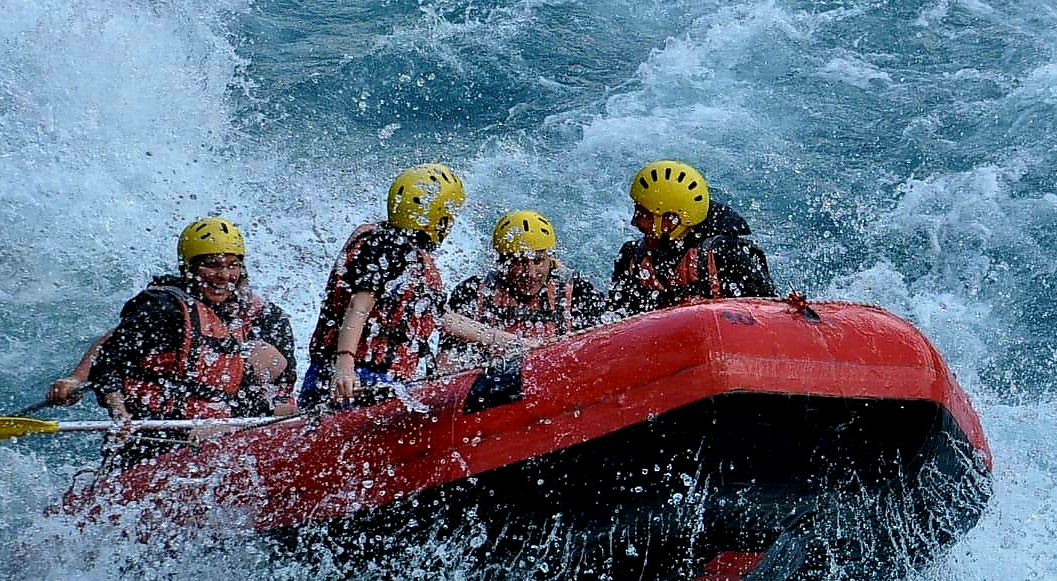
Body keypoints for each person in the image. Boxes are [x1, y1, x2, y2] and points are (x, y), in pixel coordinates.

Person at [299, 163, 525, 408]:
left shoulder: (404, 253)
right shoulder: (387, 247)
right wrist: (345, 364)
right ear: (440, 219)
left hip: (373, 377)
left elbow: (441, 318)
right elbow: (359, 307)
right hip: (352, 378)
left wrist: (510, 342)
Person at [86, 217, 296, 436]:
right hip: (159, 434)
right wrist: (119, 411)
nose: (224, 275)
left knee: (270, 370)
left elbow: (269, 388)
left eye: (232, 265)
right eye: (212, 265)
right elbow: (106, 360)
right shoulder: (163, 308)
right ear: (189, 268)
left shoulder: (253, 315)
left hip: (218, 422)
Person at [442, 209, 606, 370]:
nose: (531, 273)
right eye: (519, 262)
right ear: (502, 262)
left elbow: (602, 350)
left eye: (538, 261)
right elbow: (444, 366)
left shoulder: (578, 292)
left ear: (550, 260)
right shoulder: (472, 292)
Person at [607, 160, 775, 315]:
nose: (634, 221)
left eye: (643, 213)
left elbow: (767, 312)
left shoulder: (724, 255)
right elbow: (616, 317)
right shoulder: (632, 258)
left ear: (671, 220)